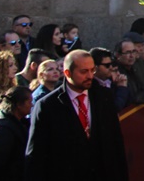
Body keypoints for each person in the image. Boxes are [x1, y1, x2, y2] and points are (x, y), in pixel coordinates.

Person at [25, 49, 129, 180]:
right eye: (84, 71)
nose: (90, 76)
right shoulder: (47, 106)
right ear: (67, 73)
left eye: (92, 70)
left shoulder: (103, 96)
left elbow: (116, 142)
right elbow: (36, 156)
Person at [115, 38, 144, 105]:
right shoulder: (116, 71)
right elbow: (132, 97)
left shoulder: (140, 64)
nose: (131, 56)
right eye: (128, 52)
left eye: (133, 51)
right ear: (118, 55)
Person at [91, 47, 131, 112]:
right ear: (95, 67)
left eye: (111, 64)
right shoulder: (91, 86)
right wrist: (122, 88)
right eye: (107, 65)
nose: (111, 68)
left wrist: (122, 85)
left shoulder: (112, 81)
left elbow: (130, 101)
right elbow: (115, 108)